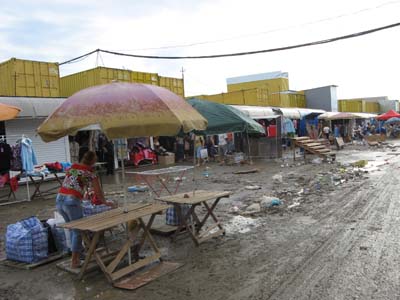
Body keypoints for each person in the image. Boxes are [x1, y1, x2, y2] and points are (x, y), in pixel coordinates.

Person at [56, 151, 109, 268]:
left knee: (71, 228)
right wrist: (105, 202)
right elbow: (98, 191)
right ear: (93, 161)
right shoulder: (90, 172)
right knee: (78, 231)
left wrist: (84, 192)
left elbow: (73, 183)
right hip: (71, 201)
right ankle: (75, 261)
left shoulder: (73, 167)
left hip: (59, 199)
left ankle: (77, 255)